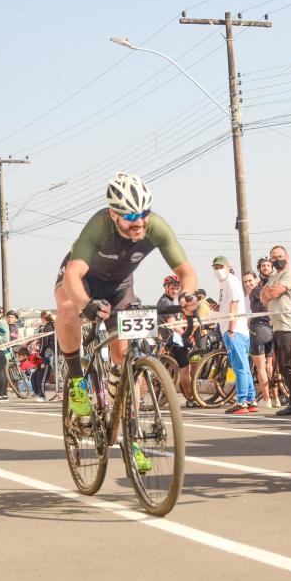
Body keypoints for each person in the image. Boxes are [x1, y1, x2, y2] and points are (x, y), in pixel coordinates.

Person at [54, 172, 198, 422]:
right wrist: (85, 304)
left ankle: (131, 427)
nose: (139, 221)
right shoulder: (99, 226)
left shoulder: (156, 227)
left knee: (125, 357)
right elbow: (72, 275)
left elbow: (186, 273)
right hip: (83, 279)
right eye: (130, 216)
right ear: (113, 214)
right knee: (67, 309)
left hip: (119, 285)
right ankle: (77, 380)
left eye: (144, 213)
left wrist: (187, 294)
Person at [260, 245, 291, 416]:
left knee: (290, 366)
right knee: (284, 367)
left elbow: (273, 294)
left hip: (289, 325)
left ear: (287, 257)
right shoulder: (274, 276)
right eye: (273, 257)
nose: (277, 260)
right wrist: (268, 291)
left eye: (280, 256)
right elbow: (263, 297)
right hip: (277, 326)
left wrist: (270, 291)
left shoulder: (290, 273)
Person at [213, 256, 254, 414]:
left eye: (220, 266)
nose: (218, 270)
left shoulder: (231, 281)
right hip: (235, 330)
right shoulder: (224, 283)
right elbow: (228, 305)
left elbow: (234, 305)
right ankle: (250, 399)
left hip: (234, 331)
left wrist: (231, 330)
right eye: (215, 267)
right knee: (244, 367)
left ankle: (242, 401)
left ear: (228, 266)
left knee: (240, 368)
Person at [156, 274, 196, 405]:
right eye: (172, 288)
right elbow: (173, 324)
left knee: (177, 370)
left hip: (171, 338)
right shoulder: (165, 302)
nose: (175, 291)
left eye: (177, 288)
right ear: (166, 288)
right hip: (173, 339)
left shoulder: (169, 301)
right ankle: (190, 399)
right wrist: (186, 336)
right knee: (184, 369)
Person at [243, 268, 276, 408]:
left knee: (261, 367)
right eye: (245, 282)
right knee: (269, 366)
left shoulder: (256, 291)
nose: (247, 284)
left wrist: (251, 319)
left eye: (250, 280)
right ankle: (276, 399)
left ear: (256, 280)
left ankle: (267, 399)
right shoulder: (259, 291)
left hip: (258, 329)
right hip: (269, 328)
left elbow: (265, 301)